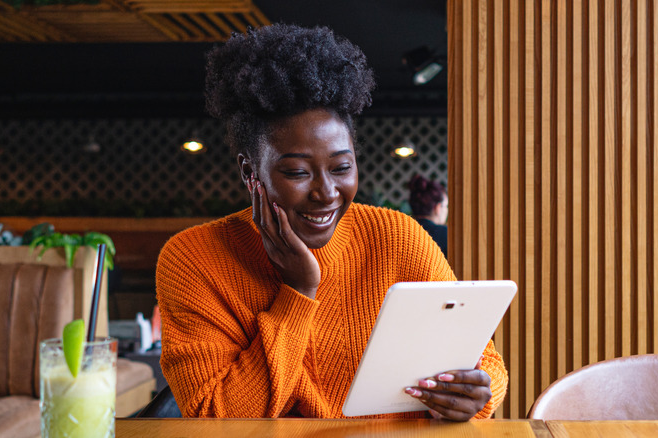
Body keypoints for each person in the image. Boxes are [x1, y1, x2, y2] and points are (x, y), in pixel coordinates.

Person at [156, 23, 508, 421]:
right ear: (250, 172)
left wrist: (474, 394)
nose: (326, 192)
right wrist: (299, 291)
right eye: (297, 172)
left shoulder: (398, 236)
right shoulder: (193, 259)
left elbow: (485, 362)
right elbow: (217, 420)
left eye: (341, 167)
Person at [408, 174, 448, 257]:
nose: (447, 210)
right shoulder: (445, 234)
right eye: (446, 206)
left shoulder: (403, 232)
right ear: (438, 207)